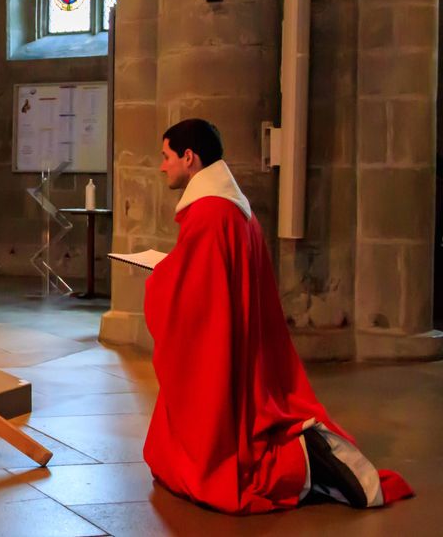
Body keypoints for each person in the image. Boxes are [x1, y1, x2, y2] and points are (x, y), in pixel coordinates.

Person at [143, 118, 414, 514]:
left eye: (166, 156)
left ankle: (306, 464)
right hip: (242, 339)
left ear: (189, 157)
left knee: (215, 459)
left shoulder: (210, 215)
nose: (162, 166)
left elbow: (195, 299)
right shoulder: (231, 207)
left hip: (224, 345)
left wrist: (159, 279)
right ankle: (309, 460)